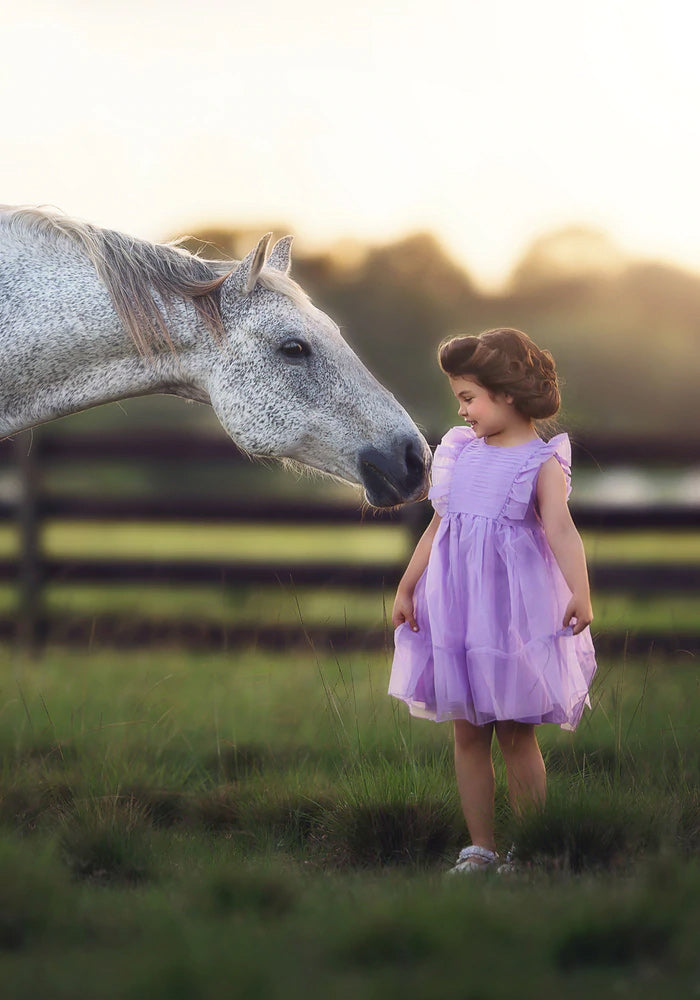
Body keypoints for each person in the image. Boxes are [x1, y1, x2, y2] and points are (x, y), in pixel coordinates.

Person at [389, 328, 596, 874]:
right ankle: (480, 847)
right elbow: (438, 527)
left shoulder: (541, 461)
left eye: (467, 398)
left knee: (515, 732)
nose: (461, 412)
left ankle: (529, 848)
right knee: (468, 731)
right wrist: (408, 585)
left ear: (506, 393)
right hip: (457, 611)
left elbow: (561, 530)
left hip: (510, 618)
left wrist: (581, 591)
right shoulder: (459, 454)